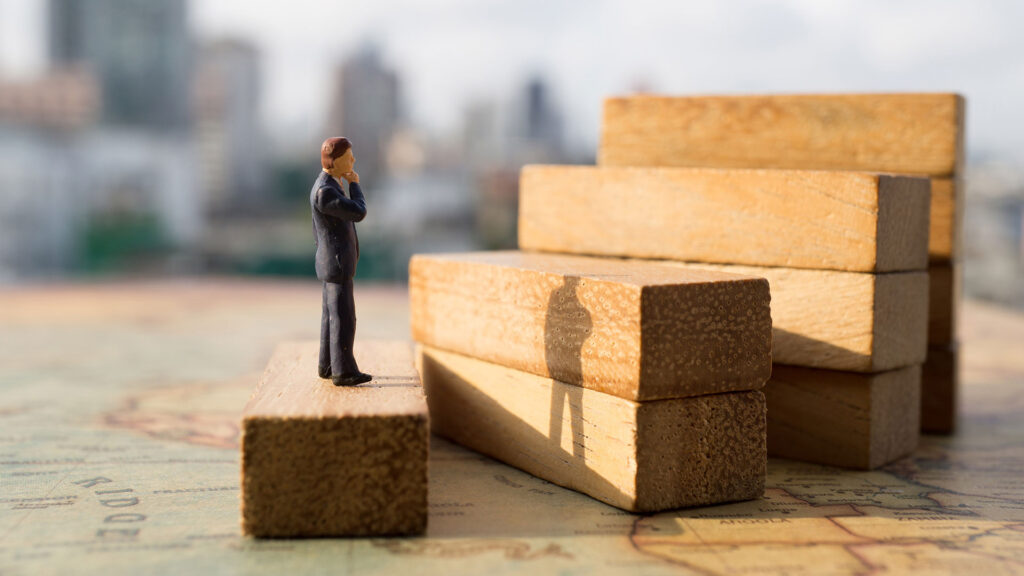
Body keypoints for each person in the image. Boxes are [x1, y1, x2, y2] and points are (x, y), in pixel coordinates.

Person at [311, 137, 372, 385]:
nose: (353, 161)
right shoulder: (326, 192)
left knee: (330, 316)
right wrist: (355, 184)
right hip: (336, 264)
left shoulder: (327, 185)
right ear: (335, 161)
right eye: (349, 157)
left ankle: (327, 365)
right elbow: (358, 212)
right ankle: (343, 371)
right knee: (343, 318)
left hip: (332, 263)